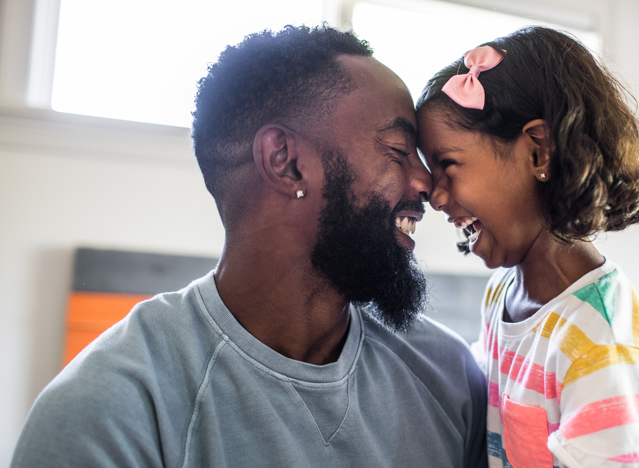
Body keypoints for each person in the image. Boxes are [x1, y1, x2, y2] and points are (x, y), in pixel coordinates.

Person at [12, 26, 488, 467]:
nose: (428, 184)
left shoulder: (449, 376)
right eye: (399, 152)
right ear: (285, 162)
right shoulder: (109, 412)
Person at [416, 27, 639, 468]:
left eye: (448, 165)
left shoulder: (600, 345)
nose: (435, 195)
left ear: (539, 153)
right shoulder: (504, 292)